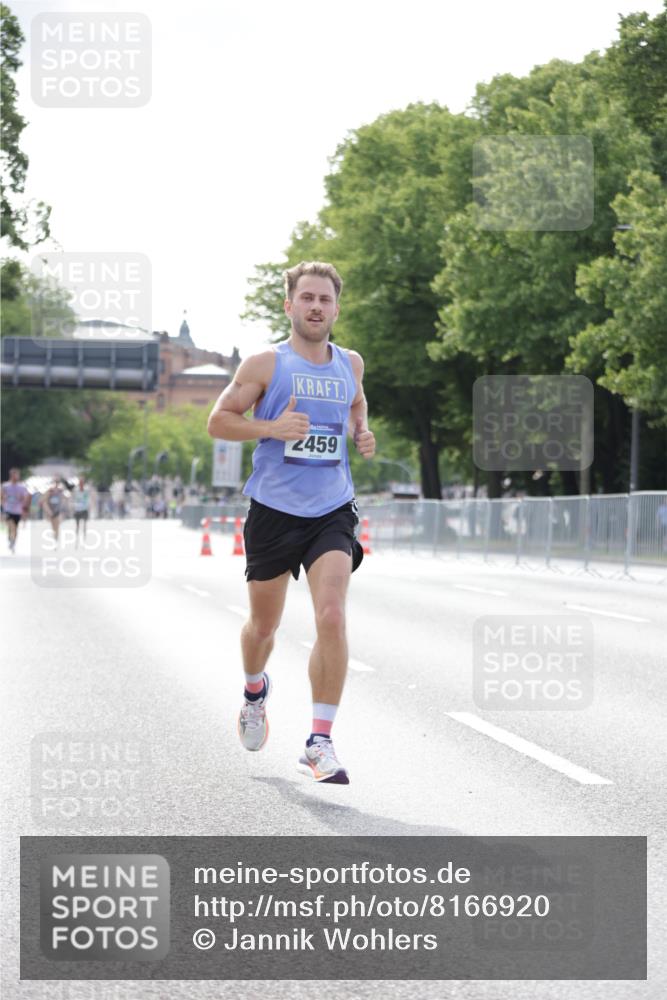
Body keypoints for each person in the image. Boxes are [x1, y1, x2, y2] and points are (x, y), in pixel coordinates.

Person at [207, 261, 375, 784]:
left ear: (336, 308)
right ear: (290, 305)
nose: (316, 307)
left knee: (331, 615)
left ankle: (319, 741)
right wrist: (271, 427)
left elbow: (357, 403)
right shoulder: (265, 364)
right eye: (307, 298)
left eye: (325, 299)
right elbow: (218, 421)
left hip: (331, 509)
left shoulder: (350, 363)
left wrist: (361, 430)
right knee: (263, 627)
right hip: (274, 511)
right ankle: (254, 690)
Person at [1, 468, 31, 552]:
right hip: (8, 509)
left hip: (17, 510)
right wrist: (3, 504)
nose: (16, 477)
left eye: (17, 475)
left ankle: (13, 541)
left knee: (15, 528)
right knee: (11, 525)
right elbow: (1, 496)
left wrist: (23, 502)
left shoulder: (21, 487)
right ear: (11, 475)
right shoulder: (5, 486)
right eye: (14, 475)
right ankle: (10, 539)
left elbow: (26, 498)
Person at [41, 477, 65, 545]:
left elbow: (64, 499)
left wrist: (63, 510)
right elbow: (44, 501)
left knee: (57, 526)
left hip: (58, 511)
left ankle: (56, 539)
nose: (56, 484)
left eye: (57, 483)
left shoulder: (61, 491)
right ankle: (55, 537)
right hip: (51, 511)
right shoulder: (50, 491)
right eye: (55, 483)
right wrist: (48, 510)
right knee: (53, 526)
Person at [72, 476, 91, 546]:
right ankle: (77, 539)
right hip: (77, 509)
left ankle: (84, 539)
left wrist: (88, 506)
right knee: (77, 525)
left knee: (84, 524)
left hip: (84, 509)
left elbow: (88, 498)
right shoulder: (76, 490)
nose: (81, 483)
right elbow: (73, 498)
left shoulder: (86, 490)